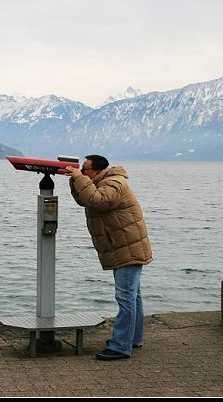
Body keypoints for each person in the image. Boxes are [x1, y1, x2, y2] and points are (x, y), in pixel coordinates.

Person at [64, 155, 153, 361]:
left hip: (127, 249)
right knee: (133, 296)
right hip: (122, 247)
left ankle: (121, 347)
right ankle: (133, 339)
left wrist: (79, 178)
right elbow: (84, 199)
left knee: (125, 298)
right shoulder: (99, 182)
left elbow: (98, 200)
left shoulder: (114, 183)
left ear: (96, 171)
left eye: (85, 169)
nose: (82, 171)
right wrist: (75, 178)